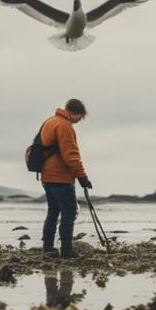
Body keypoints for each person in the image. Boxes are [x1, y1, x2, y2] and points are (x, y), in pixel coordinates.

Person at [40, 98, 92, 259]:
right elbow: (71, 156)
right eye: (80, 117)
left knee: (53, 211)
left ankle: (48, 249)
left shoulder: (50, 121)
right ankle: (67, 251)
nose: (79, 121)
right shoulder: (64, 125)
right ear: (76, 114)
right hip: (60, 177)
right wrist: (82, 176)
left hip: (46, 176)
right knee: (69, 211)